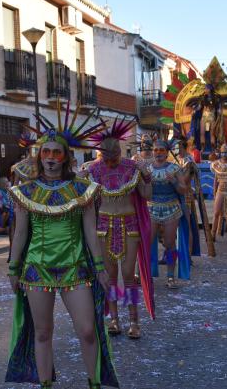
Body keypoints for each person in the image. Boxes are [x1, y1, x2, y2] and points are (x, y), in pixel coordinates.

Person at [5, 114, 118, 389]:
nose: (51, 156)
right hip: (36, 269)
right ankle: (45, 385)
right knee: (43, 332)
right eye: (46, 151)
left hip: (75, 268)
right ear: (39, 155)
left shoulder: (83, 190)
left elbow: (90, 232)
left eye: (57, 152)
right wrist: (12, 267)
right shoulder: (26, 191)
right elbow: (20, 233)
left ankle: (94, 383)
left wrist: (101, 267)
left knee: (88, 330)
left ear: (66, 157)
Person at [82, 118, 154, 339]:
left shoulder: (133, 168)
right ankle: (114, 319)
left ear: (119, 150)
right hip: (104, 226)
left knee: (127, 275)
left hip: (129, 224)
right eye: (106, 155)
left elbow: (147, 195)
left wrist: (147, 176)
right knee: (110, 275)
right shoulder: (93, 170)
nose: (110, 160)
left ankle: (134, 321)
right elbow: (84, 201)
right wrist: (80, 180)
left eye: (114, 154)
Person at [148, 140, 190, 289]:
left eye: (161, 150)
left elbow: (183, 190)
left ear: (167, 152)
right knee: (146, 243)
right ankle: (143, 275)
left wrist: (174, 182)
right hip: (151, 208)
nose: (158, 153)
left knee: (170, 243)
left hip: (171, 208)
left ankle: (170, 276)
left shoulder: (174, 168)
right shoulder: (147, 168)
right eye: (156, 150)